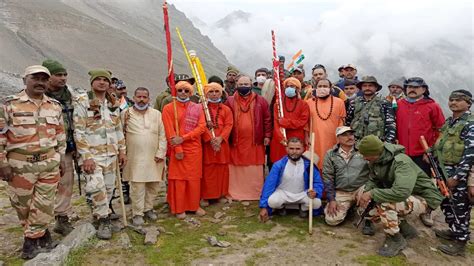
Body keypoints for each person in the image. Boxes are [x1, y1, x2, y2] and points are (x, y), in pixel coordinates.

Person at [0, 65, 66, 259]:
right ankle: (42, 235)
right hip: (19, 166)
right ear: (25, 80)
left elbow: (60, 134)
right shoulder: (9, 105)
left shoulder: (54, 106)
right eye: (35, 78)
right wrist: (2, 163)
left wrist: (60, 158)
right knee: (23, 205)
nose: (40, 82)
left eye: (43, 79)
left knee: (44, 203)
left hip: (49, 163)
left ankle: (31, 243)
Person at [357, 135, 444, 257]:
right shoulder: (375, 160)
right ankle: (405, 228)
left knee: (386, 203)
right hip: (406, 196)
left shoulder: (401, 161)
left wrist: (372, 193)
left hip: (424, 198)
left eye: (365, 154)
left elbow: (401, 192)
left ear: (374, 153)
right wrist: (366, 192)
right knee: (369, 199)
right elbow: (373, 179)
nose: (363, 157)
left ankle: (395, 239)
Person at [73, 69, 127, 240]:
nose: (102, 82)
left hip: (111, 154)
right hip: (93, 155)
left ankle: (99, 216)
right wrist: (86, 156)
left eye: (105, 80)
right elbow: (79, 131)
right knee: (96, 188)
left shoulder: (113, 102)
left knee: (109, 189)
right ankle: (104, 221)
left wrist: (122, 151)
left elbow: (118, 129)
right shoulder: (83, 102)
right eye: (98, 79)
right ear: (92, 82)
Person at [41, 59, 81, 236]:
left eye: (65, 75)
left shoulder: (70, 95)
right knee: (44, 187)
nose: (63, 78)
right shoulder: (39, 96)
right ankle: (38, 227)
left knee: (66, 184)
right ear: (48, 76)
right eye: (58, 75)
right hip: (45, 149)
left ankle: (61, 218)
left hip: (67, 148)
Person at [432, 90, 473, 256]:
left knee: (459, 207)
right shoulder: (450, 122)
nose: (453, 102)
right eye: (451, 100)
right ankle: (454, 230)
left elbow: (471, 153)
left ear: (468, 103)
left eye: (458, 100)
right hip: (444, 170)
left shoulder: (470, 124)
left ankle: (460, 242)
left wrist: (457, 177)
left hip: (458, 173)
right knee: (446, 203)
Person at [122, 87, 167, 226]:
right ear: (134, 98)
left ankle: (148, 209)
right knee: (137, 186)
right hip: (135, 157)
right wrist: (122, 152)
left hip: (155, 157)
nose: (141, 100)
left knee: (153, 185)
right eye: (139, 97)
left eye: (144, 97)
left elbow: (163, 134)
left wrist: (161, 152)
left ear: (149, 99)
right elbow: (120, 135)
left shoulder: (156, 114)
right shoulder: (125, 114)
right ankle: (137, 213)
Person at [162, 81, 207, 219]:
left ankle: (194, 206)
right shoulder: (169, 108)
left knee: (194, 179)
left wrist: (184, 138)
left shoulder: (197, 108)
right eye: (180, 90)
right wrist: (178, 148)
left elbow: (201, 127)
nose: (183, 93)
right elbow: (170, 131)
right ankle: (179, 207)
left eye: (186, 91)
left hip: (194, 149)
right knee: (179, 180)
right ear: (175, 92)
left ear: (191, 93)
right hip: (178, 149)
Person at [225, 75, 271, 201]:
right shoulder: (229, 101)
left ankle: (254, 192)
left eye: (246, 84)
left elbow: (267, 120)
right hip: (236, 140)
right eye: (241, 84)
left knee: (254, 166)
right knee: (235, 165)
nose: (243, 87)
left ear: (251, 85)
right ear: (236, 86)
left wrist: (267, 135)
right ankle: (235, 192)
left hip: (255, 141)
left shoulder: (261, 101)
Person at [259, 137, 323, 221]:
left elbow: (318, 183)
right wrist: (264, 207)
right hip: (283, 193)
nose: (294, 151)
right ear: (287, 149)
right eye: (291, 148)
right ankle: (282, 208)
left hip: (302, 194)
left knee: (317, 203)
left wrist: (315, 192)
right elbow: (269, 185)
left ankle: (303, 208)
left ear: (303, 149)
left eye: (298, 149)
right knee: (272, 201)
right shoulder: (278, 165)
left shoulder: (309, 165)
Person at [396, 77, 445, 177]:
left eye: (416, 87)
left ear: (424, 89)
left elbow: (441, 130)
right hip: (401, 153)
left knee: (422, 184)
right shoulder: (398, 104)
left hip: (423, 154)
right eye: (409, 87)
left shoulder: (432, 106)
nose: (412, 89)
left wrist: (431, 150)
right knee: (403, 182)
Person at [323, 127, 370, 229]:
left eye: (351, 134)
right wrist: (331, 199)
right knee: (331, 220)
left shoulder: (363, 150)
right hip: (342, 191)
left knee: (371, 202)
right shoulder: (330, 154)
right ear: (338, 138)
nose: (350, 137)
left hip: (361, 188)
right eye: (345, 135)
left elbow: (373, 172)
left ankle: (367, 221)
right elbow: (328, 177)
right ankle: (350, 208)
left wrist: (369, 189)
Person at [200, 82, 233, 206]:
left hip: (222, 145)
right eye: (211, 92)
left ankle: (220, 194)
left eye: (217, 92)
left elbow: (229, 124)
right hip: (207, 145)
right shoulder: (201, 109)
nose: (214, 94)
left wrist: (220, 139)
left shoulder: (226, 109)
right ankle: (206, 196)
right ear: (206, 94)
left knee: (222, 169)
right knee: (207, 170)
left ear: (221, 93)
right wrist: (210, 139)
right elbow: (201, 125)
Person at [306, 78, 346, 170]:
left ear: (331, 88)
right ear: (315, 88)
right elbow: (306, 123)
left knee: (331, 166)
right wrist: (306, 137)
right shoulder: (309, 103)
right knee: (315, 165)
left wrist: (340, 139)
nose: (322, 88)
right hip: (314, 140)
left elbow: (341, 122)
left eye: (325, 86)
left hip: (333, 140)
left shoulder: (339, 102)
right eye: (320, 86)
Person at [269, 77, 309, 163]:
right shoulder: (278, 105)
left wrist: (286, 123)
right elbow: (276, 123)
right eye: (287, 86)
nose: (289, 88)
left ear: (298, 89)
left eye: (292, 86)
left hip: (297, 138)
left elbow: (302, 122)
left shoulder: (304, 104)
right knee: (280, 163)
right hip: (281, 139)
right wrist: (281, 137)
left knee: (296, 162)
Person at [345, 76, 396, 143]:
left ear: (376, 88)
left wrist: (388, 142)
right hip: (356, 143)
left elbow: (390, 124)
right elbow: (348, 122)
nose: (367, 88)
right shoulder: (354, 102)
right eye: (365, 86)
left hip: (376, 144)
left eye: (370, 86)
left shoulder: (384, 103)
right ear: (361, 88)